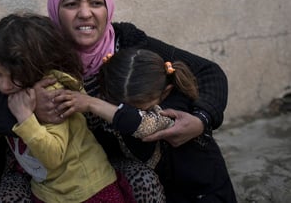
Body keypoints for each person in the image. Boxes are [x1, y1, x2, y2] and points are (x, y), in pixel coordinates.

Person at [0, 0, 228, 202]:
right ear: (55, 9)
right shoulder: (33, 50)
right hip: (45, 174)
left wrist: (201, 119)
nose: (85, 13)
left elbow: (208, 72)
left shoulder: (128, 43)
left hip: (104, 169)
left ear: (108, 7)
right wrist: (28, 107)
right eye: (71, 3)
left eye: (96, 2)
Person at [0, 13, 135, 202]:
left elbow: (54, 157)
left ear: (37, 67)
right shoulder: (10, 98)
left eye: (16, 77)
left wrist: (26, 118)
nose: (4, 85)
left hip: (89, 189)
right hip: (48, 193)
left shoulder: (51, 94)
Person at [63, 48, 237, 202]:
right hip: (170, 190)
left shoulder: (175, 107)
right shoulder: (115, 112)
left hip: (205, 190)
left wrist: (92, 104)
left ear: (165, 93)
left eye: (139, 108)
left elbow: (142, 124)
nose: (125, 112)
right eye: (119, 106)